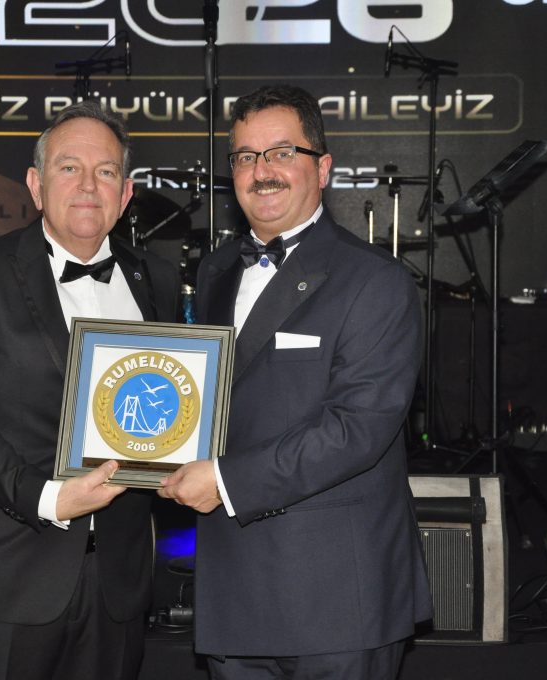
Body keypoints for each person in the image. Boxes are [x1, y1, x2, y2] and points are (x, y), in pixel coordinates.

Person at [158, 84, 432, 679]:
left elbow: (357, 429)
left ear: (323, 168)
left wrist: (224, 480)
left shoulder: (375, 280)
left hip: (337, 597)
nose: (263, 172)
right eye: (246, 157)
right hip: (233, 593)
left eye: (282, 152)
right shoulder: (215, 271)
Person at [0, 101, 178, 680]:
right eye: (69, 168)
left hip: (117, 589)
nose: (88, 185)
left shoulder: (156, 279)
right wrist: (48, 498)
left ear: (126, 193)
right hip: (5, 582)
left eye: (106, 171)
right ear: (36, 186)